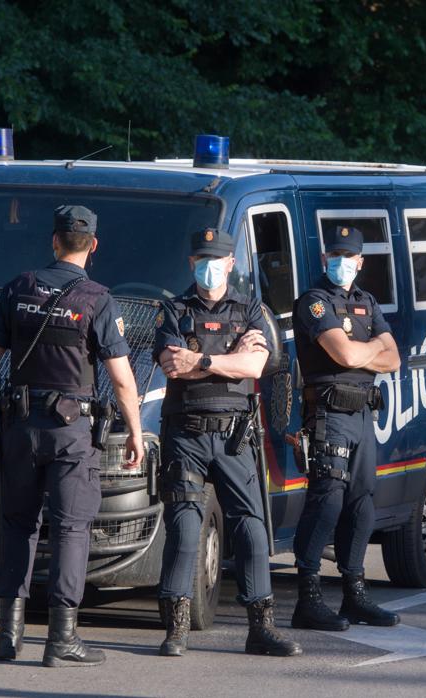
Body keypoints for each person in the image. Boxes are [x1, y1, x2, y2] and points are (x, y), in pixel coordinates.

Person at [0, 205, 144, 667]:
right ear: (92, 245)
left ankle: (8, 637)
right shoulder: (97, 299)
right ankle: (60, 640)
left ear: (53, 241)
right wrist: (135, 433)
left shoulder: (18, 288)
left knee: (17, 525)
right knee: (71, 529)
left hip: (19, 428)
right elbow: (123, 379)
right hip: (71, 433)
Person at [152, 227, 300, 658]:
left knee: (252, 527)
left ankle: (261, 628)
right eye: (201, 259)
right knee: (184, 528)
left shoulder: (250, 309)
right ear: (191, 264)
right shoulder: (175, 310)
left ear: (231, 264)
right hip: (187, 435)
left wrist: (201, 359)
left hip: (235, 435)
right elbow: (171, 367)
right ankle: (175, 629)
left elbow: (255, 364)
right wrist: (227, 361)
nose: (208, 267)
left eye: (216, 259)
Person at [290, 225, 402, 631]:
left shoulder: (366, 301)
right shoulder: (314, 303)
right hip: (329, 416)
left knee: (362, 503)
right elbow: (343, 352)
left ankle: (355, 596)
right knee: (328, 501)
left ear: (360, 261)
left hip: (362, 417)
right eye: (334, 255)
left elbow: (395, 359)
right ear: (325, 259)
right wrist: (372, 348)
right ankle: (308, 599)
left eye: (348, 256)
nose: (341, 262)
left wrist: (364, 352)